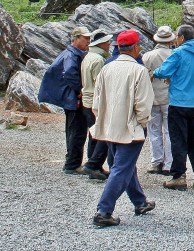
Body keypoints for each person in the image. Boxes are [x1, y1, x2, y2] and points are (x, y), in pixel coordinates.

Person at [90, 29, 156, 227]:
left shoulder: (106, 68)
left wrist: (101, 119)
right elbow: (143, 104)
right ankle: (104, 211)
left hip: (109, 126)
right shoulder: (139, 71)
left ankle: (140, 202)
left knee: (123, 165)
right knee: (122, 167)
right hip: (130, 127)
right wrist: (142, 123)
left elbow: (96, 101)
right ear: (135, 48)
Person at [151, 24, 194, 191]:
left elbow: (164, 71)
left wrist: (154, 73)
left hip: (178, 103)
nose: (176, 39)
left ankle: (178, 176)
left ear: (182, 38)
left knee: (178, 140)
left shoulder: (178, 52)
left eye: (177, 36)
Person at [38, 26, 91, 175]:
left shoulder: (71, 53)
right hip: (73, 99)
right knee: (77, 131)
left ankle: (72, 162)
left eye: (89, 38)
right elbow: (69, 73)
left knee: (74, 130)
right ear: (76, 38)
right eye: (85, 38)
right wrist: (80, 89)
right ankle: (72, 165)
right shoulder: (72, 55)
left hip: (70, 99)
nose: (88, 41)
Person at [140, 25, 176, 175]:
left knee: (154, 130)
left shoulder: (147, 56)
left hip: (152, 97)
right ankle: (169, 164)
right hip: (169, 97)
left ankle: (156, 161)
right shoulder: (174, 54)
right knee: (169, 131)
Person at [80, 29, 112, 181]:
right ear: (101, 44)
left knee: (94, 134)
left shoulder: (88, 56)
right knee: (102, 133)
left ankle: (94, 165)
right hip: (95, 101)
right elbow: (100, 84)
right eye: (107, 42)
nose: (109, 44)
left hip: (87, 99)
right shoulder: (99, 60)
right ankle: (93, 164)